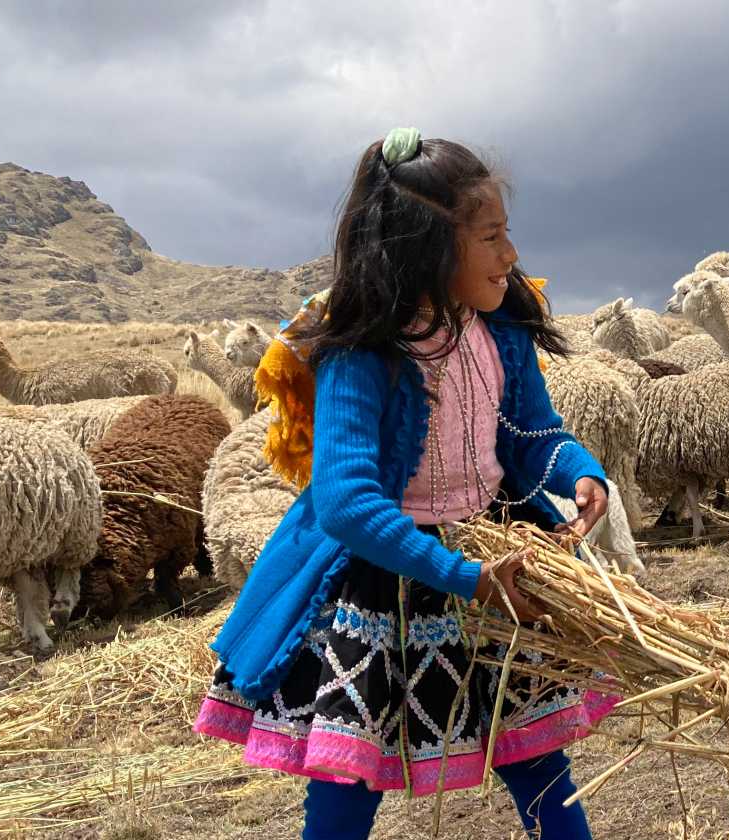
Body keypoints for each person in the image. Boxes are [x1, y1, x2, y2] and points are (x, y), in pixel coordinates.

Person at [194, 128, 618, 838]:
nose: (510, 255)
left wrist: (579, 472)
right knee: (347, 780)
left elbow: (529, 432)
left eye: (506, 234)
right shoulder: (363, 351)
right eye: (491, 237)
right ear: (428, 244)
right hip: (386, 577)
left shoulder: (500, 331)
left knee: (540, 762)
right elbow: (348, 502)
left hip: (498, 558)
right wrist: (466, 577)